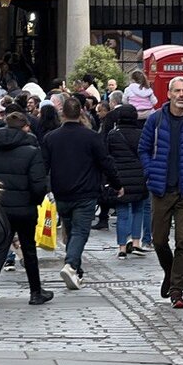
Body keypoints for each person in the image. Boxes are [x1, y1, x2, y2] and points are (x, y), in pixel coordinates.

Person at [139, 78, 183, 309]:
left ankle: (177, 291)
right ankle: (170, 274)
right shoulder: (155, 120)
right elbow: (143, 149)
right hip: (161, 189)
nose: (181, 95)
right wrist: (151, 171)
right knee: (159, 241)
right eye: (177, 91)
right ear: (168, 94)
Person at [43, 95, 123, 290]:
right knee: (80, 232)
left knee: (71, 230)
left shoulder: (50, 138)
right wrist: (117, 184)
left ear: (62, 114)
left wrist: (45, 189)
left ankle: (75, 271)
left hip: (61, 192)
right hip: (86, 192)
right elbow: (106, 162)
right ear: (81, 113)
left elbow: (43, 167)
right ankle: (70, 264)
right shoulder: (91, 137)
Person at [0, 111, 53, 307]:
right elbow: (38, 184)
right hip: (25, 209)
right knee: (28, 249)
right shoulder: (31, 151)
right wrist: (35, 200)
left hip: (0, 208)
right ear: (24, 128)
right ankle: (35, 292)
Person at [106, 103, 149, 258]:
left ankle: (122, 248)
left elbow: (108, 156)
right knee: (138, 210)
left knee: (122, 213)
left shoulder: (113, 134)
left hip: (120, 178)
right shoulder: (141, 134)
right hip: (139, 177)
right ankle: (136, 242)